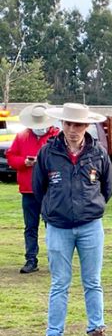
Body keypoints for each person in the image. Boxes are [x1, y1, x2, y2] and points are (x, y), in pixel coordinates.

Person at [32, 103, 112, 336]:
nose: (72, 129)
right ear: (62, 124)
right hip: (58, 227)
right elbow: (39, 189)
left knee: (93, 282)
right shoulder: (47, 153)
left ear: (86, 126)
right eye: (68, 124)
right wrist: (54, 210)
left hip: (91, 226)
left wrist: (91, 208)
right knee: (59, 283)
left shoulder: (99, 154)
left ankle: (97, 333)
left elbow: (107, 189)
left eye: (78, 124)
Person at [6, 104, 59, 273]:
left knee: (51, 226)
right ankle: (31, 259)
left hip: (50, 190)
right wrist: (24, 162)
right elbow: (11, 157)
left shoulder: (57, 136)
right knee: (30, 226)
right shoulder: (22, 136)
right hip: (28, 190)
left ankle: (55, 259)